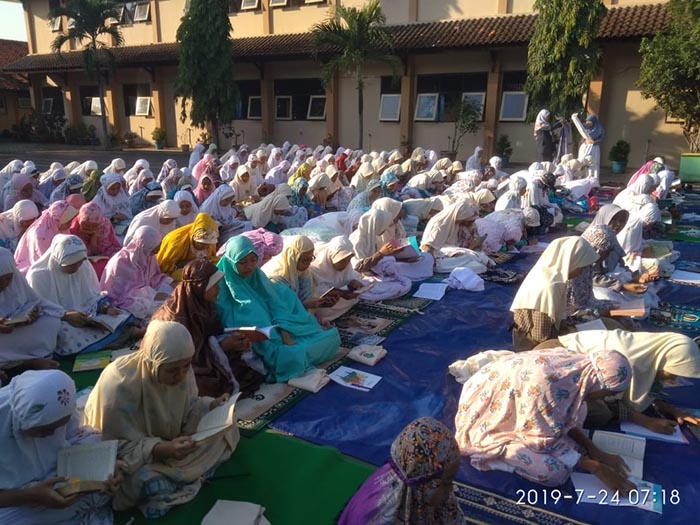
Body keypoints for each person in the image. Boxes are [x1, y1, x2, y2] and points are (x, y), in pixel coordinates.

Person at [83, 320, 238, 518]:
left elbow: (190, 406)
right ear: (151, 363)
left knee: (230, 426)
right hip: (138, 458)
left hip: (172, 444)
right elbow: (112, 445)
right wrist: (161, 449)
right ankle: (189, 473)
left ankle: (181, 476)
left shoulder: (181, 366)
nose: (182, 375)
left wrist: (210, 406)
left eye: (186, 366)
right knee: (141, 480)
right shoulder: (119, 384)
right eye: (173, 370)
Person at [455, 347, 634, 492]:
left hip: (523, 408)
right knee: (554, 473)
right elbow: (540, 441)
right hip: (486, 413)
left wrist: (595, 450)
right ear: (598, 382)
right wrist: (596, 467)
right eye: (607, 393)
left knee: (582, 409)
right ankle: (500, 455)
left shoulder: (579, 368)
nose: (604, 398)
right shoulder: (549, 390)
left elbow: (564, 414)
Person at [0, 370, 120, 525]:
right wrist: (30, 495)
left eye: (59, 426)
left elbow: (74, 437)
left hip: (54, 475)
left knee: (97, 444)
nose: (51, 434)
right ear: (23, 419)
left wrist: (108, 467)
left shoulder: (59, 412)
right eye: (45, 428)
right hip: (14, 498)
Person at [216, 236, 341, 382]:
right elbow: (233, 325)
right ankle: (292, 357)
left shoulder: (259, 280)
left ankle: (297, 354)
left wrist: (285, 332)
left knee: (331, 339)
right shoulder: (223, 292)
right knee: (291, 356)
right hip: (266, 346)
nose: (250, 266)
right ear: (231, 263)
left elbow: (279, 304)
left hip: (286, 334)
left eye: (253, 260)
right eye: (242, 262)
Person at [546, 330, 700, 432]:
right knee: (600, 413)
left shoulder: (650, 353)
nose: (674, 378)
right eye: (673, 372)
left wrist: (671, 410)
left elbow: (647, 386)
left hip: (573, 368)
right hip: (553, 363)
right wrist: (646, 421)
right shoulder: (628, 360)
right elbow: (604, 396)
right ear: (666, 358)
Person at [152, 259, 266, 397]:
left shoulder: (202, 302)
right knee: (201, 384)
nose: (218, 289)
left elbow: (211, 333)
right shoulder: (176, 318)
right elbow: (185, 356)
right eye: (214, 285)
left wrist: (233, 340)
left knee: (245, 367)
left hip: (204, 354)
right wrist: (222, 346)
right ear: (200, 286)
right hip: (176, 363)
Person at [339, 417, 464, 525]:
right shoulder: (377, 518)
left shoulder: (427, 495)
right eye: (446, 483)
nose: (451, 489)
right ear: (424, 485)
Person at [26, 234, 134, 356]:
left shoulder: (84, 266)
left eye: (79, 263)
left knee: (118, 315)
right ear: (58, 260)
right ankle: (119, 337)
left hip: (87, 315)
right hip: (60, 319)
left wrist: (105, 308)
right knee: (61, 331)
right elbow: (40, 309)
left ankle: (114, 338)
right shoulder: (39, 275)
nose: (77, 267)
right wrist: (66, 316)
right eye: (71, 265)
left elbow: (93, 295)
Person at [510, 236, 599, 351]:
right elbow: (540, 336)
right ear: (570, 261)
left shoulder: (546, 273)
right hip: (532, 345)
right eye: (580, 267)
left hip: (537, 336)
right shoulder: (549, 287)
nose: (581, 272)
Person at [0, 247, 63, 378]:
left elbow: (35, 301)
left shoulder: (16, 280)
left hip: (18, 330)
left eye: (7, 279)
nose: (4, 285)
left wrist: (30, 313)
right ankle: (27, 362)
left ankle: (27, 359)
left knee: (50, 322)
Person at [101, 225, 173, 320]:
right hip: (125, 298)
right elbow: (119, 294)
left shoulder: (148, 255)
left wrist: (168, 285)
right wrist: (152, 295)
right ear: (144, 246)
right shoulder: (120, 262)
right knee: (160, 308)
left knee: (172, 292)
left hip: (146, 291)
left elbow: (154, 277)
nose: (157, 251)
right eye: (155, 248)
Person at [263, 235, 341, 315]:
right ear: (293, 257)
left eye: (311, 259)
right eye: (305, 260)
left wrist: (321, 303)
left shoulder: (302, 271)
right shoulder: (276, 278)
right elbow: (279, 309)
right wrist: (304, 305)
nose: (308, 264)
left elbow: (306, 296)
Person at [350, 208, 412, 300]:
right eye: (383, 224)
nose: (385, 228)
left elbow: (376, 259)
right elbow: (358, 268)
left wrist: (390, 253)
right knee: (398, 287)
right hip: (358, 278)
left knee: (406, 282)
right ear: (376, 224)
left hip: (374, 273)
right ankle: (364, 295)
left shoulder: (372, 236)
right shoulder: (358, 239)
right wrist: (381, 254)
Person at [420, 199, 490, 273]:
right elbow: (427, 248)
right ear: (458, 215)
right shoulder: (440, 225)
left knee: (480, 267)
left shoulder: (454, 222)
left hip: (450, 253)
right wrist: (432, 262)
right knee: (470, 256)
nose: (464, 222)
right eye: (463, 220)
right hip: (437, 256)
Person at [309, 235, 367, 324]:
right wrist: (341, 294)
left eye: (348, 260)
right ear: (331, 256)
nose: (345, 264)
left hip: (339, 299)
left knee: (354, 297)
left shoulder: (346, 263)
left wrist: (352, 283)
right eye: (341, 261)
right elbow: (314, 292)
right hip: (323, 303)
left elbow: (350, 275)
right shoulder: (315, 266)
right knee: (322, 310)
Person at [14, 200, 78, 274]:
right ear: (57, 220)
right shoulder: (40, 235)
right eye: (67, 222)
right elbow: (43, 262)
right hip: (38, 272)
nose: (70, 225)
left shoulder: (60, 227)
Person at [157, 212, 219, 281]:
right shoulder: (176, 243)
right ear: (193, 238)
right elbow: (166, 266)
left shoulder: (210, 241)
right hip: (179, 270)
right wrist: (191, 265)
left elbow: (213, 258)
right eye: (201, 244)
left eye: (207, 244)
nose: (205, 247)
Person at [68, 202, 121, 278]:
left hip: (104, 258)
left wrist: (94, 237)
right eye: (86, 225)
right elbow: (76, 254)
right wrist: (93, 241)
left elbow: (113, 245)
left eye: (94, 226)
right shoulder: (74, 229)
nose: (90, 228)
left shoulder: (104, 225)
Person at [571, 113, 605, 184]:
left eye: (590, 122)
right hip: (585, 147)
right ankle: (580, 179)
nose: (588, 123)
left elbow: (601, 138)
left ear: (594, 122)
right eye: (587, 121)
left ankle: (593, 182)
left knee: (593, 164)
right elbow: (580, 127)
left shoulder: (599, 129)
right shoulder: (585, 128)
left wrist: (594, 142)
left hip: (594, 148)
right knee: (582, 162)